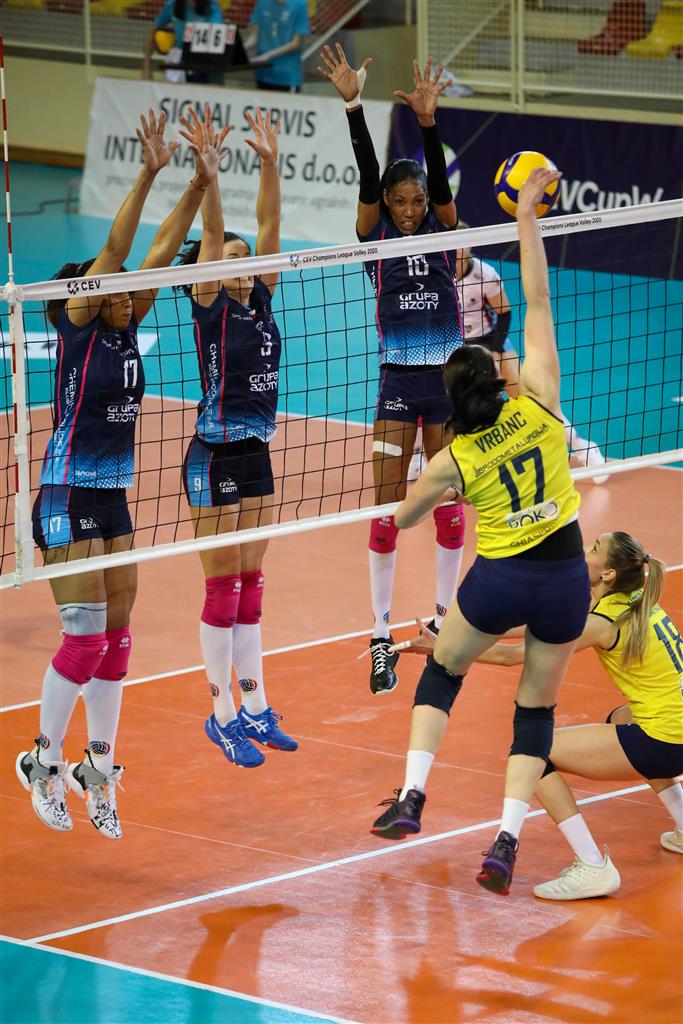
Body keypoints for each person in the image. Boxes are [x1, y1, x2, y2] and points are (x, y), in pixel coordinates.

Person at [369, 166, 592, 898]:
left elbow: (400, 518)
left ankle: (412, 796)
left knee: (443, 669)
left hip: (498, 580)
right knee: (535, 710)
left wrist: (430, 490)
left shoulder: (454, 457)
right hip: (564, 579)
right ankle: (505, 841)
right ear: (499, 382)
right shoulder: (542, 404)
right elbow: (537, 298)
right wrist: (526, 218)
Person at [15, 110, 227, 840]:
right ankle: (43, 761)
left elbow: (161, 252)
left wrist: (198, 183)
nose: (123, 290)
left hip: (111, 497)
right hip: (66, 493)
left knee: (117, 637)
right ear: (84, 293)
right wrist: (147, 170)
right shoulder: (77, 325)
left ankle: (96, 769)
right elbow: (116, 252)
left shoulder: (126, 322)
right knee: (82, 640)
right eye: (109, 285)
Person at [398, 531, 683, 898]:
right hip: (674, 731)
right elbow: (542, 624)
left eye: (595, 548)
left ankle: (592, 866)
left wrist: (444, 649)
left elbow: (516, 656)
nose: (584, 549)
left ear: (608, 573)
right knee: (620, 718)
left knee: (535, 754)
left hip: (667, 742)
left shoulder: (602, 622)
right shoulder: (636, 597)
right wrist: (470, 627)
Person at [318, 44, 466, 696]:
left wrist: (428, 124)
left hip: (447, 384)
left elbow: (440, 190)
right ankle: (379, 635)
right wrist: (354, 107)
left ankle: (443, 619)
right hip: (397, 382)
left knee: (450, 507)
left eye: (416, 201)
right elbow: (366, 174)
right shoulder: (373, 235)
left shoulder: (441, 227)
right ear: (384, 204)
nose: (409, 210)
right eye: (398, 202)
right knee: (386, 509)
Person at [176, 106, 297, 769]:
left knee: (251, 583)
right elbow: (215, 232)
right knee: (222, 587)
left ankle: (256, 706)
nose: (241, 265)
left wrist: (270, 165)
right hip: (212, 455)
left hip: (257, 453)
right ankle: (220, 714)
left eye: (246, 260)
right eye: (228, 258)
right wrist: (211, 175)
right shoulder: (211, 306)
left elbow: (269, 227)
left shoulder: (262, 301)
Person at [454, 228, 609, 483]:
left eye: (461, 245)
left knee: (531, 401)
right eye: (452, 246)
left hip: (490, 342)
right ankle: (423, 459)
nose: (457, 251)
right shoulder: (439, 273)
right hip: (456, 346)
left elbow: (504, 314)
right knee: (443, 403)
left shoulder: (484, 274)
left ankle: (583, 448)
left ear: (470, 247)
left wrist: (493, 351)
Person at [143, 0, 223, 84]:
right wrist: (146, 67)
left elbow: (216, 36)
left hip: (206, 61)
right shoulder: (172, 5)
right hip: (180, 59)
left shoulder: (212, 7)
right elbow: (153, 30)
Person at [245, 0, 310, 93]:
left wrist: (268, 55)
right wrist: (239, 49)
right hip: (263, 74)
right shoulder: (262, 2)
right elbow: (254, 37)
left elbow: (296, 43)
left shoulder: (300, 4)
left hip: (286, 77)